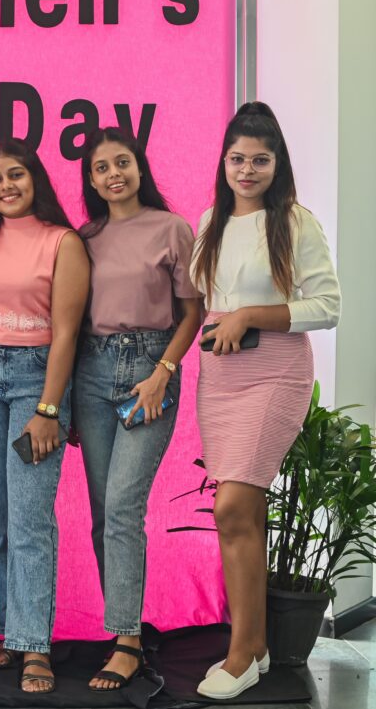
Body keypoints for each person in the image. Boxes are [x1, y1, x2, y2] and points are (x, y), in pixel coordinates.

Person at [191, 102, 340, 700]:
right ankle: (254, 649)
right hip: (219, 375)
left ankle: (241, 653)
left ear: (278, 164)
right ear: (223, 162)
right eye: (237, 159)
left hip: (275, 371)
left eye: (260, 160)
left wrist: (251, 314)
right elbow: (204, 302)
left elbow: (327, 307)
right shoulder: (210, 221)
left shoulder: (297, 222)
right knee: (244, 512)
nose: (247, 170)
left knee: (230, 507)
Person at [71, 127, 202, 690]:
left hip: (150, 370)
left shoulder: (172, 228)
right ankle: (122, 629)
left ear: (140, 167)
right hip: (92, 374)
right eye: (101, 168)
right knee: (104, 512)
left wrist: (162, 373)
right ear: (91, 180)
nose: (113, 174)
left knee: (124, 505)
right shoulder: (84, 238)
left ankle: (126, 642)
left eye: (121, 162)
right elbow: (72, 320)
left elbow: (193, 313)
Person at [0, 138, 89, 693]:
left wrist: (50, 409)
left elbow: (67, 334)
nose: (6, 186)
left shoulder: (63, 242)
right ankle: (13, 631)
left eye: (15, 175)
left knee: (30, 516)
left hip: (37, 379)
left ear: (35, 178)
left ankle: (36, 646)